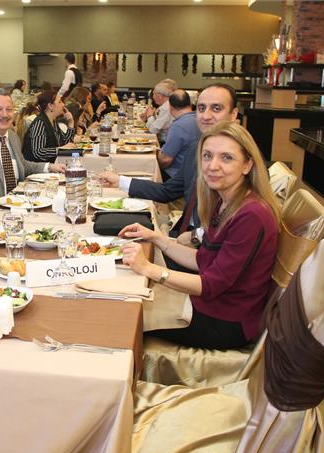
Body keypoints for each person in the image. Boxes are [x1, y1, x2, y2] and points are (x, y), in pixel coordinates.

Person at [120, 121, 280, 350]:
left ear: (247, 165)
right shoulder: (225, 201)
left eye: (226, 158)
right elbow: (203, 259)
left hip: (226, 321)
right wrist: (157, 238)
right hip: (210, 305)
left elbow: (211, 284)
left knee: (124, 313)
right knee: (127, 295)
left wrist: (149, 269)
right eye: (207, 156)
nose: (212, 166)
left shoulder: (252, 215)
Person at [100, 83, 239, 239]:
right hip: (184, 233)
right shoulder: (195, 149)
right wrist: (120, 181)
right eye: (201, 108)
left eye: (216, 108)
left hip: (206, 244)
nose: (206, 116)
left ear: (233, 114)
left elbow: (237, 221)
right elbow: (168, 191)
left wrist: (194, 237)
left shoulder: (241, 158)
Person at [0, 89, 65, 198]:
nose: (5, 114)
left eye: (9, 109)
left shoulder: (12, 136)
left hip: (17, 200)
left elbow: (22, 165)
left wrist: (49, 167)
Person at [157, 89, 200, 181]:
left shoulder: (178, 126)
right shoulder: (200, 120)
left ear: (170, 107)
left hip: (176, 176)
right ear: (190, 104)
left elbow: (165, 161)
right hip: (194, 175)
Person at [22, 90, 76, 163]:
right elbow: (38, 152)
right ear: (50, 106)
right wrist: (60, 150)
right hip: (38, 167)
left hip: (52, 165)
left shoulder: (53, 122)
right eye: (60, 102)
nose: (63, 104)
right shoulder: (40, 123)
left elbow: (66, 144)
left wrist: (71, 123)